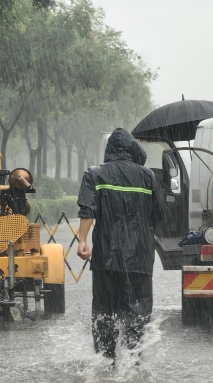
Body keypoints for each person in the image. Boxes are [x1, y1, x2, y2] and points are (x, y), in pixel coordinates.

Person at [76, 128, 165, 362]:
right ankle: (133, 361)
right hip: (139, 259)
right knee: (137, 314)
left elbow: (87, 210)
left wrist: (82, 240)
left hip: (106, 258)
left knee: (104, 313)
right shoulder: (148, 177)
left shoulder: (94, 175)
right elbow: (159, 215)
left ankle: (105, 363)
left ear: (110, 151)